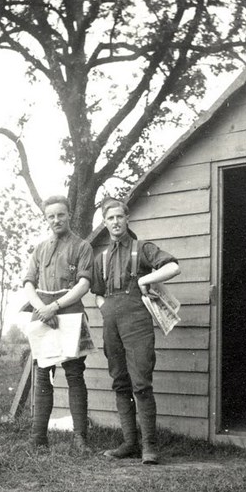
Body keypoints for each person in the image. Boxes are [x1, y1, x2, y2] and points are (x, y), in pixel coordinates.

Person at [91, 197, 180, 464]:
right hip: (111, 323)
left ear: (127, 218)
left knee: (141, 382)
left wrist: (145, 279)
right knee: (120, 382)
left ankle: (149, 446)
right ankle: (130, 443)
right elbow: (96, 292)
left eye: (119, 217)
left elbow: (173, 266)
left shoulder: (142, 249)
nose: (115, 222)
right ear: (105, 224)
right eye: (110, 219)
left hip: (137, 321)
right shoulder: (101, 257)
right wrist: (104, 307)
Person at [23, 195, 94, 452]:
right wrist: (42, 307)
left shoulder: (82, 246)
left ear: (69, 215)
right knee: (43, 375)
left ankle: (80, 438)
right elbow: (29, 283)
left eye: (60, 214)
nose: (56, 220)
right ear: (46, 219)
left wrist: (56, 306)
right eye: (51, 216)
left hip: (69, 311)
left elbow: (84, 284)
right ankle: (38, 438)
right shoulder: (40, 248)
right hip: (42, 313)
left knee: (75, 374)